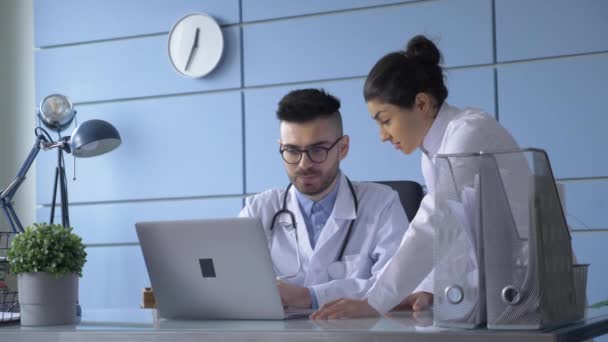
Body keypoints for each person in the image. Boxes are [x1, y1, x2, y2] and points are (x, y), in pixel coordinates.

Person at [311, 35, 521, 319]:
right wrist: (427, 287)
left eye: (386, 120)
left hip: (523, 286)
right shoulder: (432, 153)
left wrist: (375, 301)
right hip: (496, 293)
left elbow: (433, 224)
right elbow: (454, 236)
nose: (383, 136)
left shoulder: (467, 135)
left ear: (421, 104)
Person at [239, 88, 429, 310]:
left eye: (317, 150)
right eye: (292, 151)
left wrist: (309, 296)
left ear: (343, 148)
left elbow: (398, 287)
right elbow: (232, 283)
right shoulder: (258, 211)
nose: (303, 164)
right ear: (281, 148)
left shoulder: (382, 204)